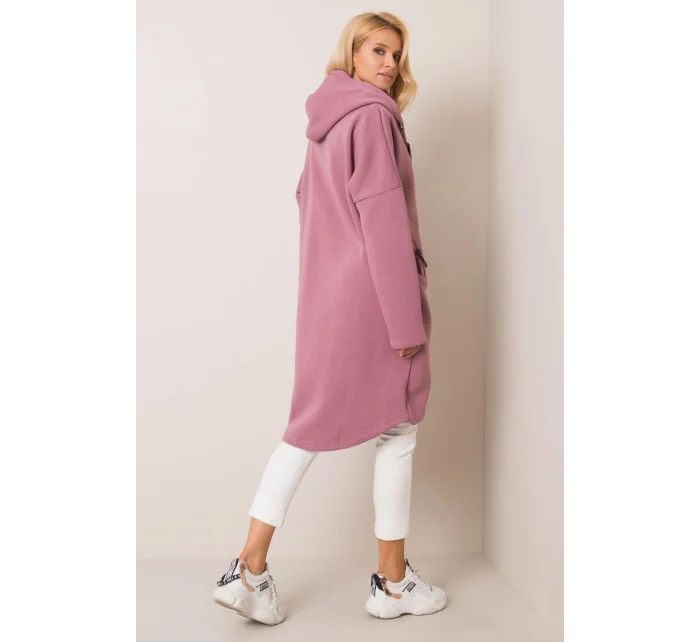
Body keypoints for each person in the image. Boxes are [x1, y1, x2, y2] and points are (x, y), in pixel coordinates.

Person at [212, 12, 445, 625]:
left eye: (396, 54)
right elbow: (383, 223)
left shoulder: (326, 119)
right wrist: (405, 323)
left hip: (326, 298)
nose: (389, 64)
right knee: (399, 430)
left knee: (305, 426)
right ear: (353, 52)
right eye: (378, 50)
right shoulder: (372, 117)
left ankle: (249, 569)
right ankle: (393, 585)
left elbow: (308, 204)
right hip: (374, 298)